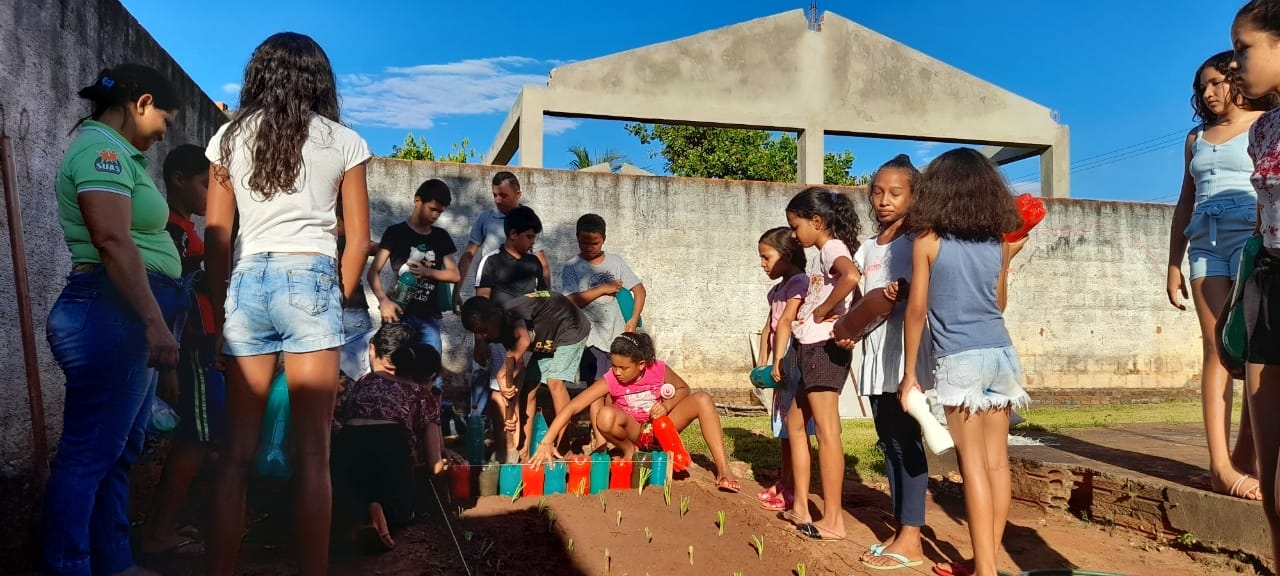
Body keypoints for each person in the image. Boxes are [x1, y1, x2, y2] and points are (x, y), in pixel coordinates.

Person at [203, 32, 371, 576]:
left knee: (234, 456)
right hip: (313, 278)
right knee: (313, 455)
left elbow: (216, 238)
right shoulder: (344, 142)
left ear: (259, 74)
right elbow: (359, 241)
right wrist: (334, 301)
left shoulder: (227, 139)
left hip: (247, 283)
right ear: (320, 79)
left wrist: (223, 307)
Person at [44, 63, 185, 576]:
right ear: (142, 103)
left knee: (120, 450)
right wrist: (153, 321)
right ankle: (69, 565)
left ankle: (113, 562)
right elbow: (110, 239)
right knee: (88, 454)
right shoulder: (101, 151)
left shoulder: (119, 154)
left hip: (122, 315)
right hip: (113, 313)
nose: (165, 132)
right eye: (164, 119)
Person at [899, 148, 1030, 576]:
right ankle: (985, 560)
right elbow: (999, 303)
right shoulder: (996, 242)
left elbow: (915, 311)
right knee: (997, 463)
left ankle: (986, 571)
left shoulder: (928, 241)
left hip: (960, 359)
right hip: (1002, 354)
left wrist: (908, 377)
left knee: (971, 466)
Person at [1168, 50, 1274, 500]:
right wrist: (1174, 263)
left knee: (1252, 350)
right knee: (1215, 351)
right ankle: (1220, 467)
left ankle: (1246, 458)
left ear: (1236, 80)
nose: (1209, 93)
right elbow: (1184, 202)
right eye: (1203, 86)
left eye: (1217, 83)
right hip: (1205, 245)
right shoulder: (1195, 139)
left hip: (1251, 238)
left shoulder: (1265, 124)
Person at [846, 155, 932, 569]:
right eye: (877, 192)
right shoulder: (868, 248)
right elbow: (862, 300)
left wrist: (908, 290)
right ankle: (904, 528)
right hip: (876, 354)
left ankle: (911, 538)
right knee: (889, 444)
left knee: (905, 443)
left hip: (906, 355)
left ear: (914, 197)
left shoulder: (919, 240)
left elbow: (926, 290)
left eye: (895, 193)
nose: (884, 200)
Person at [529, 332, 741, 492]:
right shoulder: (611, 379)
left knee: (703, 399)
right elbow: (574, 406)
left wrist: (666, 406)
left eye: (623, 368)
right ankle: (630, 452)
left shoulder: (658, 369)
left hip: (661, 427)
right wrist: (547, 441)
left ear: (641, 365)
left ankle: (723, 469)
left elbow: (684, 388)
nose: (617, 372)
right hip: (634, 432)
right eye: (614, 366)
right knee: (604, 415)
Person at [141, 144, 222, 557]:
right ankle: (160, 532)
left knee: (201, 440)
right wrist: (169, 364)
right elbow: (170, 303)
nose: (211, 194)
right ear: (178, 180)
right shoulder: (171, 233)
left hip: (200, 345)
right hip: (190, 347)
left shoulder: (187, 230)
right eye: (205, 184)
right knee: (196, 440)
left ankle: (170, 523)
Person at [782, 187, 862, 541]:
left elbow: (852, 278)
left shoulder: (832, 248)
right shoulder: (821, 252)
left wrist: (826, 310)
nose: (795, 236)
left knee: (828, 432)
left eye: (797, 227)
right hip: (808, 346)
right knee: (794, 423)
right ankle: (801, 504)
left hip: (822, 349)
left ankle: (833, 520)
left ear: (817, 221)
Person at [1231, 1, 1280, 569]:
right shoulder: (1263, 129)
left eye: (1245, 48)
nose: (1237, 61)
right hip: (1267, 286)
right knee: (1271, 483)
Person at [332, 323, 443, 552]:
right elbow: (435, 465)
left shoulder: (366, 380)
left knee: (351, 494)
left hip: (347, 443)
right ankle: (382, 512)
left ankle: (364, 511)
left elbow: (346, 416)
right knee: (403, 511)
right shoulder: (422, 395)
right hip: (390, 443)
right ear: (430, 376)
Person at [460, 292, 588, 462]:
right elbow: (517, 362)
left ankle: (564, 447)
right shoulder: (498, 332)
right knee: (528, 387)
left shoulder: (512, 314)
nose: (484, 337)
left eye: (483, 330)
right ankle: (524, 450)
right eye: (479, 334)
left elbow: (524, 340)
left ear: (494, 316)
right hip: (546, 341)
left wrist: (502, 371)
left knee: (554, 382)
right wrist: (511, 399)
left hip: (570, 328)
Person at [560, 213, 646, 448]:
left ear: (604, 239)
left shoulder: (616, 262)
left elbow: (639, 290)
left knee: (615, 390)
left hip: (618, 339)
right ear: (577, 238)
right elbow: (570, 300)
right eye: (584, 242)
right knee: (595, 390)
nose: (589, 247)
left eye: (594, 243)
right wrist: (604, 288)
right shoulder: (572, 267)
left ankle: (611, 436)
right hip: (590, 340)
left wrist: (633, 320)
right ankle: (599, 442)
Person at [367, 178, 461, 370]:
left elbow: (454, 275)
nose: (435, 215)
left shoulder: (440, 237)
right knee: (389, 368)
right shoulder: (395, 233)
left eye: (440, 212)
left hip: (429, 316)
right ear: (418, 201)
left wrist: (427, 272)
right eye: (432, 209)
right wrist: (384, 301)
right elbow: (373, 272)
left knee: (430, 373)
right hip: (398, 313)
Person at [752, 227, 811, 512]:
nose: (762, 264)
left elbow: (787, 321)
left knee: (793, 427)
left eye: (766, 257)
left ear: (786, 255)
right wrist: (762, 361)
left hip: (792, 358)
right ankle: (785, 482)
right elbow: (768, 327)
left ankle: (794, 489)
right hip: (778, 359)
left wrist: (778, 361)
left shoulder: (800, 282)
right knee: (783, 428)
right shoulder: (776, 290)